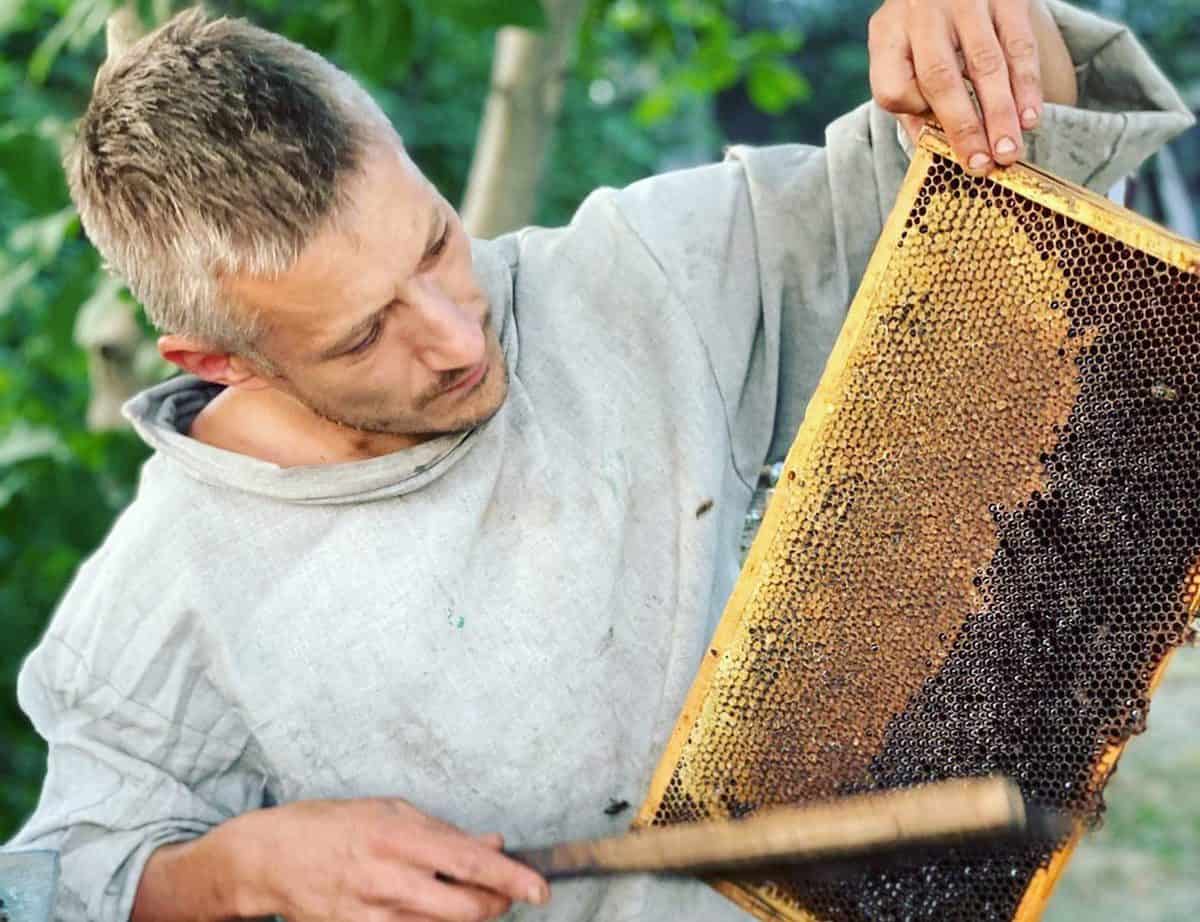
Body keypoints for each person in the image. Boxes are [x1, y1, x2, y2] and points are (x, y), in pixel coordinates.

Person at [4, 1, 1192, 920]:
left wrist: (982, 32)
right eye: (365, 332)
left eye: (433, 242)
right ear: (217, 360)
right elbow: (65, 875)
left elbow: (990, 197)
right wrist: (229, 872)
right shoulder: (163, 596)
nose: (459, 336)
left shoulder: (640, 279)